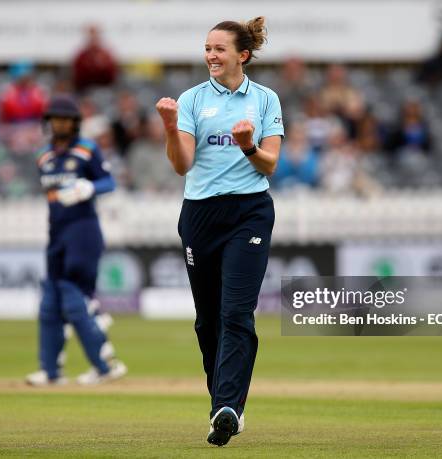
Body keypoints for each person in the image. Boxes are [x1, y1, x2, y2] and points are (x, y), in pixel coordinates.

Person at [155, 16, 283, 447]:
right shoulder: (192, 99)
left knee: (235, 313)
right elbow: (181, 164)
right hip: (200, 215)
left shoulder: (265, 99)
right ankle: (222, 407)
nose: (211, 55)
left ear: (241, 55)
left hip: (249, 212)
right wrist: (172, 127)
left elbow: (270, 165)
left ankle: (229, 407)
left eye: (219, 48)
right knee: (208, 321)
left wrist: (249, 145)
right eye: (207, 48)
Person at [26, 94, 126, 386]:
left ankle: (104, 366)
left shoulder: (87, 149)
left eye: (66, 119)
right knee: (50, 301)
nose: (60, 124)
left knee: (73, 297)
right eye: (55, 119)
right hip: (56, 232)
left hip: (83, 230)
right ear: (48, 122)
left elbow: (109, 182)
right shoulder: (43, 156)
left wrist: (87, 187)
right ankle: (50, 371)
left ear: (75, 123)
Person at [72, 24, 117, 93]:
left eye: (95, 37)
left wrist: (103, 66)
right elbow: (77, 76)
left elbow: (112, 76)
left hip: (104, 89)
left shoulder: (106, 55)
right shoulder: (82, 55)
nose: (93, 39)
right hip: (84, 90)